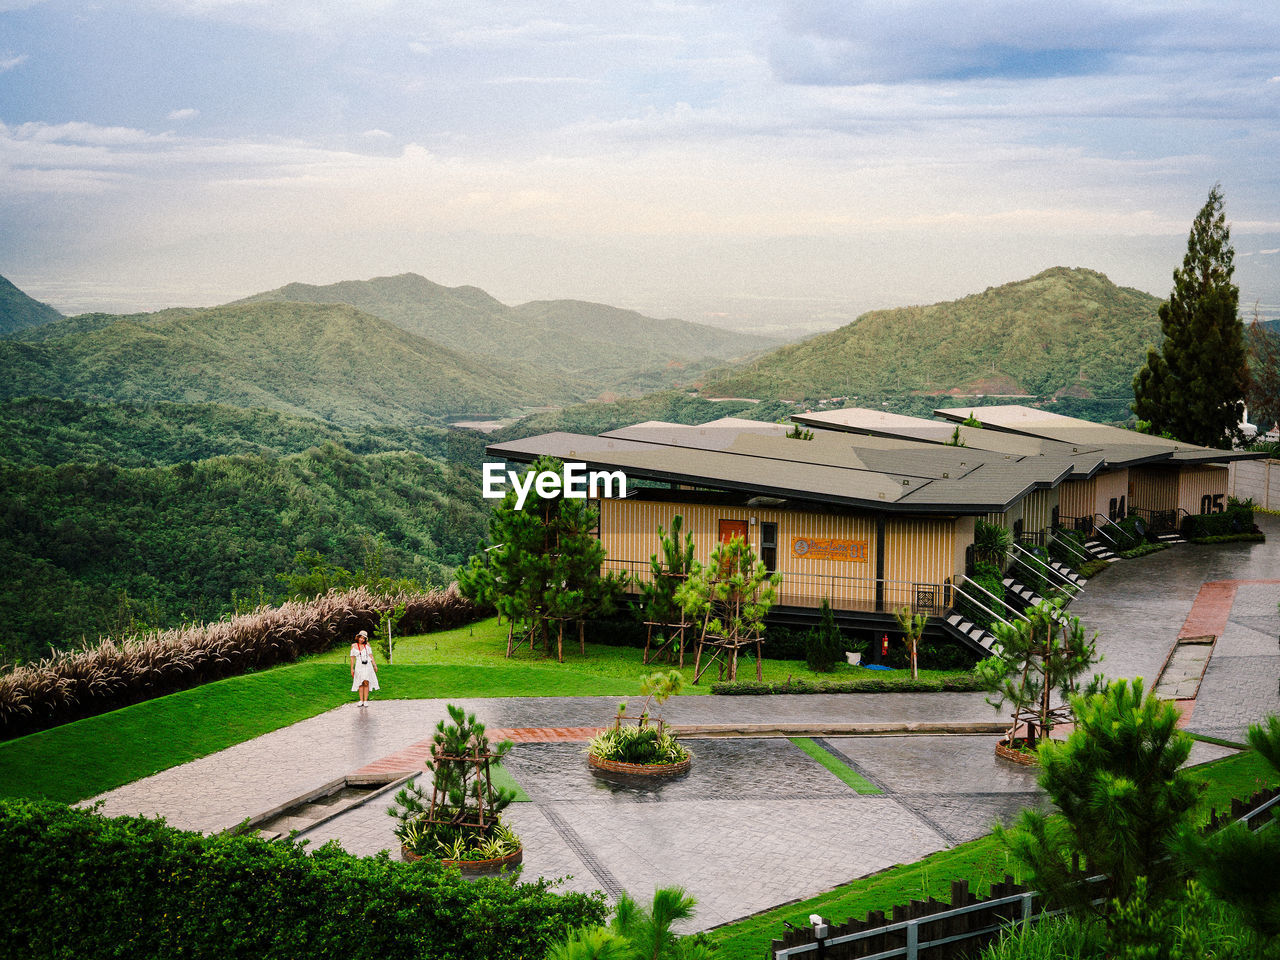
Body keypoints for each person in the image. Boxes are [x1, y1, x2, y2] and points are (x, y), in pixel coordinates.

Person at [349, 630, 379, 707]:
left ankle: (365, 700)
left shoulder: (367, 645)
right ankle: (361, 700)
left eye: (363, 638)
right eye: (361, 638)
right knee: (360, 682)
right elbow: (352, 658)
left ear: (365, 639)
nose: (362, 640)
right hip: (359, 665)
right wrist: (352, 669)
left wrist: (374, 665)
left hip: (367, 665)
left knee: (366, 682)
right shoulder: (353, 645)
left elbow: (371, 656)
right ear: (358, 637)